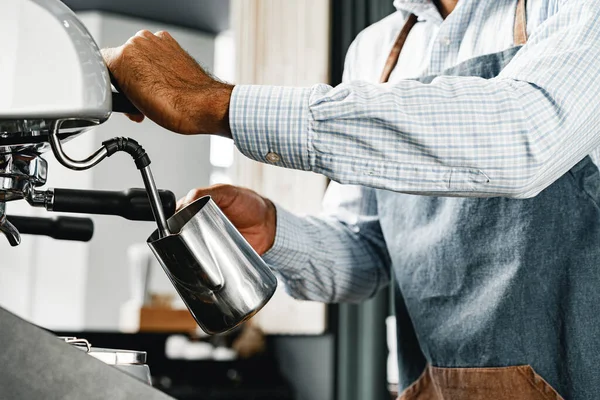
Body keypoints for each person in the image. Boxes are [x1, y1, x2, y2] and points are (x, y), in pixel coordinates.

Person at [103, 0, 600, 398]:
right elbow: (365, 255)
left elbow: (522, 135)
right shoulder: (375, 49)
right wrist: (276, 232)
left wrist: (217, 103)